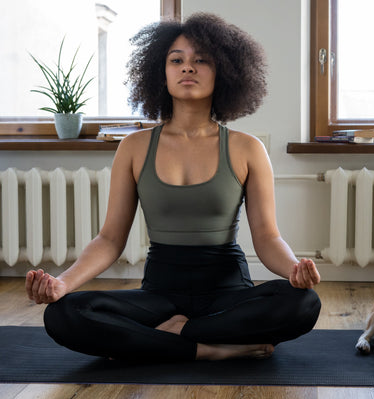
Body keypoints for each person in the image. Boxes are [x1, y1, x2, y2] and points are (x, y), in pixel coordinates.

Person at [25, 13, 321, 362]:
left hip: (227, 292)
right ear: (160, 73)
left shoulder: (246, 148)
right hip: (160, 295)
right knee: (64, 313)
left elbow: (268, 237)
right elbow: (109, 240)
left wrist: (293, 272)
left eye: (201, 60)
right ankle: (206, 348)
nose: (187, 68)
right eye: (176, 60)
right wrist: (63, 283)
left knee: (303, 303)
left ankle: (171, 337)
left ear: (223, 70)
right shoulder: (133, 147)